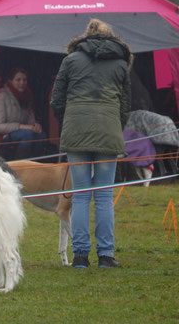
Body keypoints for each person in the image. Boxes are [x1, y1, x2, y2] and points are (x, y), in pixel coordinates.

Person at [50, 18, 132, 269]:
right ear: (111, 37)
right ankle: (106, 255)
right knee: (105, 196)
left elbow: (57, 100)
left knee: (82, 195)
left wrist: (70, 121)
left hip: (76, 131)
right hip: (108, 131)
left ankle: (81, 256)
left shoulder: (70, 60)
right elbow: (125, 105)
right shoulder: (120, 64)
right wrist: (115, 126)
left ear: (85, 37)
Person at [0, 67, 45, 159]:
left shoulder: (26, 97)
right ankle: (19, 166)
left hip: (18, 134)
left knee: (40, 135)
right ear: (10, 81)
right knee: (27, 135)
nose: (22, 83)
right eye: (18, 80)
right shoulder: (1, 97)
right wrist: (21, 126)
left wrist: (36, 126)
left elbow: (31, 122)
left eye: (24, 80)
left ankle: (35, 166)